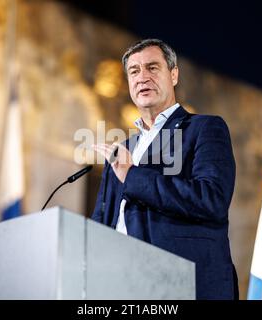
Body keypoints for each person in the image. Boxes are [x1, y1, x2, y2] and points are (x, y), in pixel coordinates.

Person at [92, 39, 238, 300]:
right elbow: (101, 223)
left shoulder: (204, 129)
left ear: (173, 74)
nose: (142, 77)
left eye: (152, 68)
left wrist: (133, 175)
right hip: (119, 288)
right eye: (134, 71)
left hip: (182, 285)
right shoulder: (123, 150)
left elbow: (212, 199)